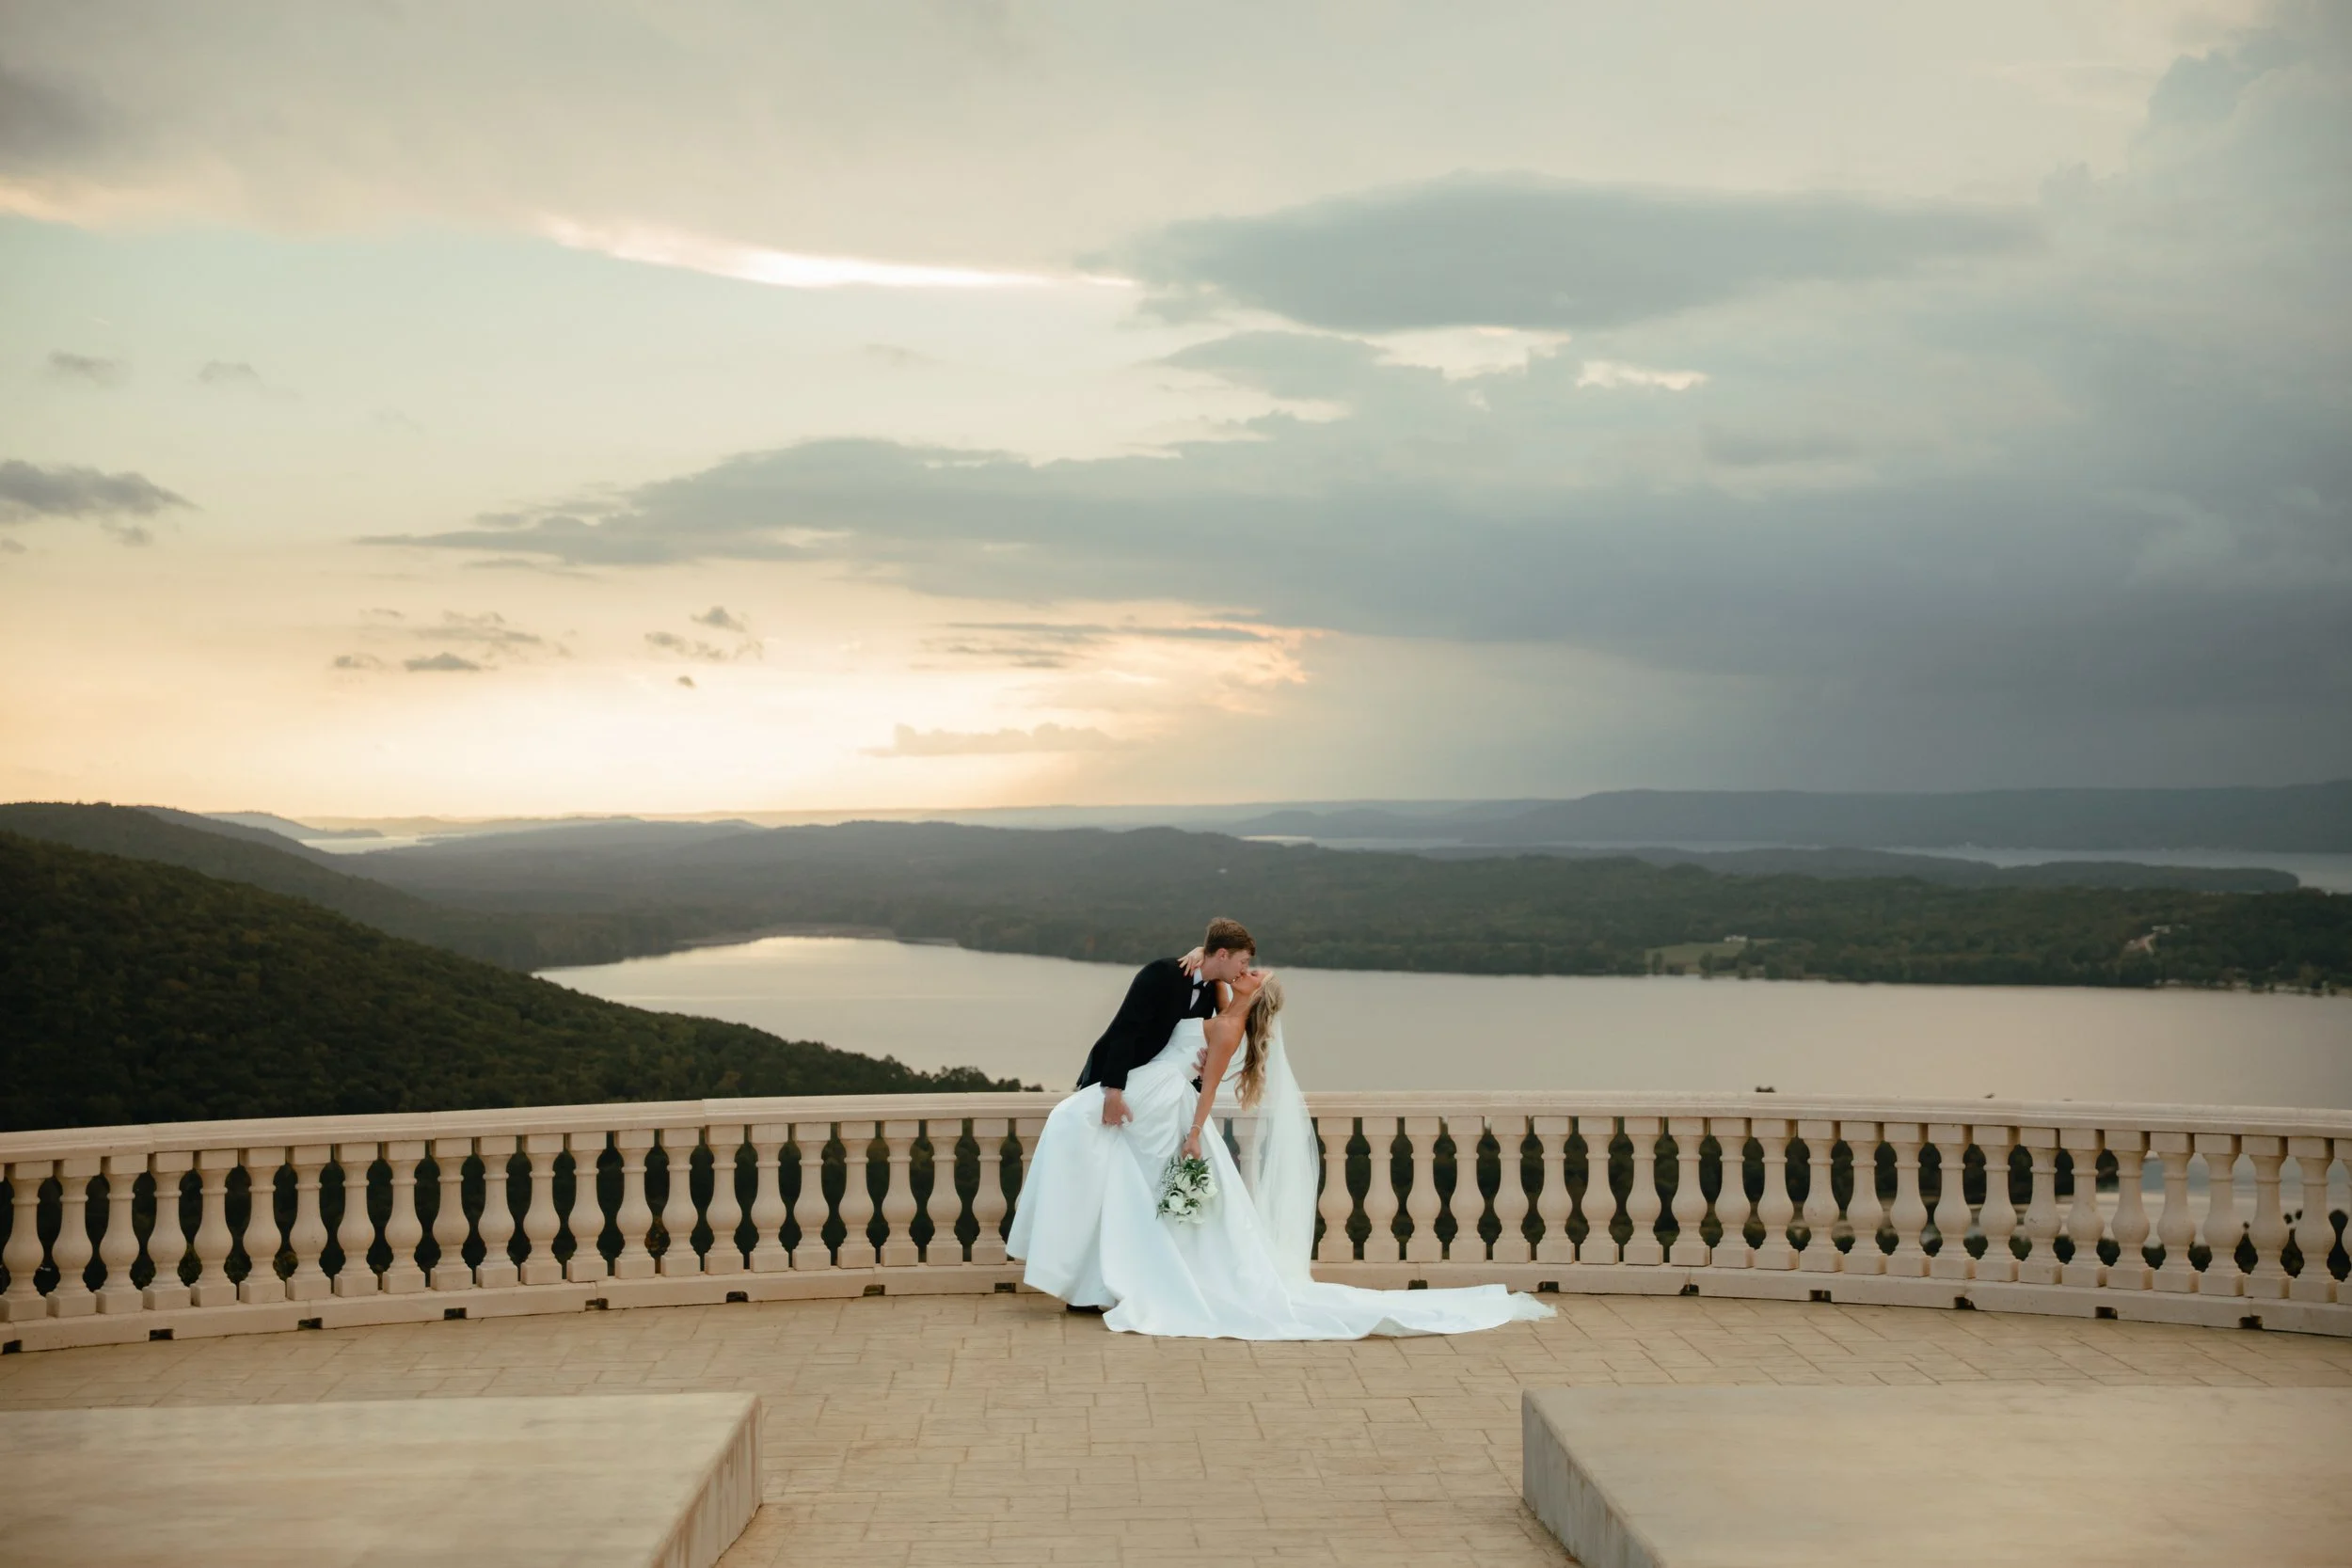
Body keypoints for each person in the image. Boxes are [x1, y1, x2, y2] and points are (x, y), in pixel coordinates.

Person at [1006, 916, 1554, 1339]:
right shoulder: (1212, 997)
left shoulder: (1227, 1022)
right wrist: (1117, 1083)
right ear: (1222, 959)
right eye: (1243, 964)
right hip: (1146, 1091)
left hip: (1164, 1102)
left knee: (1112, 1173)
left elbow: (1211, 1081)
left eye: (1251, 972)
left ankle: (1096, 1277)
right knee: (1102, 1165)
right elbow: (1162, 1014)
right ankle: (1086, 1276)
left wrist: (1194, 1131)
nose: (1248, 972)